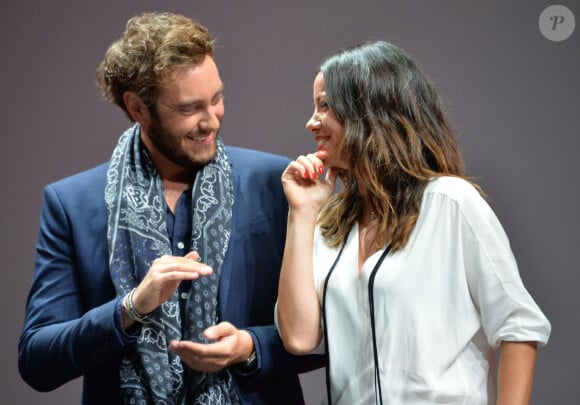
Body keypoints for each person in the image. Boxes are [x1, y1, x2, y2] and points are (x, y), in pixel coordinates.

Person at [18, 12, 323, 405]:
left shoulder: (277, 184)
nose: (211, 120)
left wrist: (250, 346)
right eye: (189, 109)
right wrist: (131, 307)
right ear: (137, 108)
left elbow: (330, 336)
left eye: (217, 99)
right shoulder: (72, 204)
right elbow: (37, 361)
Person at [276, 40, 551, 405]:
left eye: (324, 106)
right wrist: (302, 213)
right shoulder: (332, 221)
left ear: (369, 111)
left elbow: (518, 325)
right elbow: (299, 338)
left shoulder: (450, 202)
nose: (312, 122)